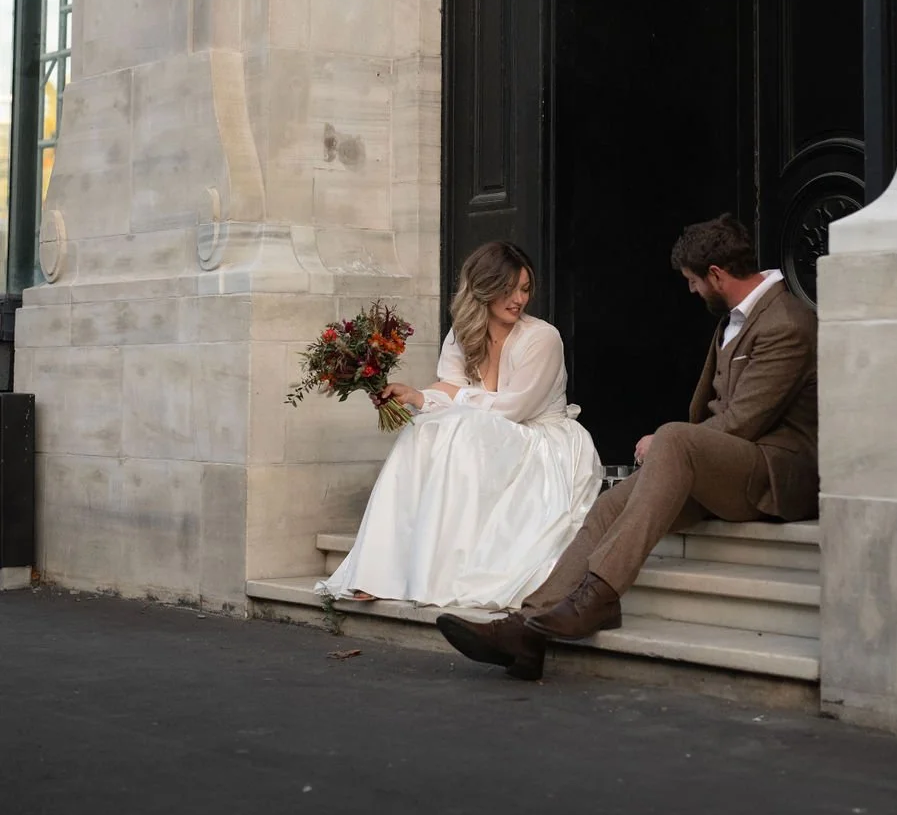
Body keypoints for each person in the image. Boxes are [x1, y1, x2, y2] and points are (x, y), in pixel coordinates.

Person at [436, 213, 818, 682]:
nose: (692, 290)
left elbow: (744, 423)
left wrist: (670, 444)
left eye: (694, 281)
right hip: (729, 465)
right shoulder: (736, 319)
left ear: (717, 275)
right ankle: (526, 630)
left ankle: (598, 597)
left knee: (673, 437)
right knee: (609, 507)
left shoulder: (786, 323)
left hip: (775, 473)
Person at [318, 241, 603, 611]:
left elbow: (513, 409)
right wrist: (416, 396)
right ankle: (380, 572)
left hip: (543, 441)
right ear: (484, 288)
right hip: (489, 435)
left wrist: (450, 396)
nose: (519, 299)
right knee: (421, 429)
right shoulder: (462, 334)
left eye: (525, 289)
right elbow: (449, 391)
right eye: (508, 289)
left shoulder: (542, 338)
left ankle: (435, 574)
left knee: (459, 429)